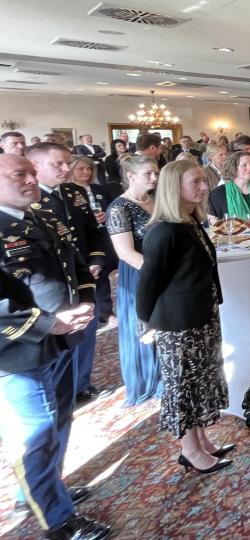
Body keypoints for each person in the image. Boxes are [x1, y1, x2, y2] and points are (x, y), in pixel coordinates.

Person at [0, 153, 112, 540]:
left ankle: (44, 489)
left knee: (60, 419)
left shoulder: (42, 217)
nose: (31, 180)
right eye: (19, 175)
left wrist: (85, 302)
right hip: (17, 351)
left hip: (62, 338)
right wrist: (50, 322)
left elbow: (76, 265)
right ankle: (58, 521)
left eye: (32, 173)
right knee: (36, 434)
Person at [137, 160, 233, 475]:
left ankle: (201, 440)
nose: (204, 187)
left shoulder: (189, 222)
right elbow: (148, 284)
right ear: (174, 187)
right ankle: (189, 450)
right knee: (184, 387)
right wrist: (146, 324)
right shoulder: (164, 231)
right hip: (178, 324)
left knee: (200, 381)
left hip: (200, 316)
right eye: (196, 182)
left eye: (205, 181)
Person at [29, 143, 113, 405]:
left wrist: (95, 260)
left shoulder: (74, 192)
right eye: (58, 164)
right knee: (59, 341)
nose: (66, 169)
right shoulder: (29, 199)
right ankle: (58, 393)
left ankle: (81, 385)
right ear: (36, 166)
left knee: (86, 333)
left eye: (67, 162)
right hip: (55, 283)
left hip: (85, 275)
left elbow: (92, 230)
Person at [106, 154, 163, 406]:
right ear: (130, 176)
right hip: (140, 272)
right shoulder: (119, 208)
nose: (154, 177)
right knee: (145, 322)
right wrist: (156, 272)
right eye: (148, 173)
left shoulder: (155, 200)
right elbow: (125, 252)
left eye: (156, 173)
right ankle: (148, 379)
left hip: (162, 267)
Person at [69, 156, 118, 326]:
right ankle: (97, 311)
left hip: (103, 235)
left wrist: (106, 214)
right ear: (72, 171)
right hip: (82, 238)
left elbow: (111, 207)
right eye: (81, 169)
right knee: (93, 276)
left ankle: (105, 311)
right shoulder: (68, 191)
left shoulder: (98, 188)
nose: (86, 172)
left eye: (89, 169)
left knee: (103, 271)